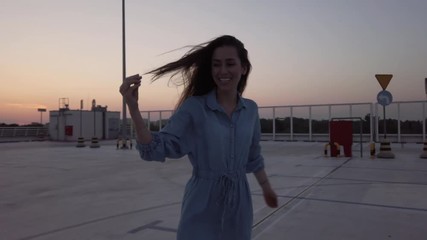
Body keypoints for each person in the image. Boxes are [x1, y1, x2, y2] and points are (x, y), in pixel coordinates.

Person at [119, 35, 278, 240]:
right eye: (216, 65)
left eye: (230, 64)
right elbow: (157, 148)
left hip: (239, 204)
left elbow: (253, 155)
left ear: (244, 68)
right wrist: (133, 108)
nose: (222, 71)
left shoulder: (251, 110)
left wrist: (266, 188)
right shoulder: (195, 108)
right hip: (203, 202)